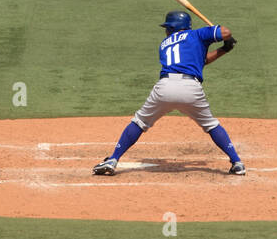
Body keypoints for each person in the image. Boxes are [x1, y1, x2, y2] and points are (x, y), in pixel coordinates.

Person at [91, 10, 245, 177]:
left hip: (165, 88)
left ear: (174, 27)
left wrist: (224, 49)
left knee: (140, 121)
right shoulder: (198, 34)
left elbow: (200, 60)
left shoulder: (165, 44)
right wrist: (226, 42)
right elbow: (225, 32)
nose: (166, 30)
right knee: (211, 125)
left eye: (167, 27)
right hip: (190, 89)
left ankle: (113, 159)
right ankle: (237, 162)